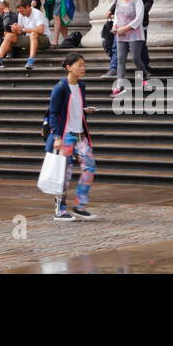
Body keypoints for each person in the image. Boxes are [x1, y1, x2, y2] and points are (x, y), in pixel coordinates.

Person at [45, 53, 100, 221]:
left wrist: (85, 109)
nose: (83, 68)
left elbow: (74, 106)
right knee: (65, 173)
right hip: (66, 136)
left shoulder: (81, 86)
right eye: (79, 65)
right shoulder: (60, 87)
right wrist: (57, 136)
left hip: (80, 135)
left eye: (84, 65)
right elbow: (53, 113)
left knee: (89, 167)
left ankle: (79, 205)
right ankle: (60, 210)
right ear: (68, 67)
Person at [103, 0, 154, 79]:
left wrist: (139, 13)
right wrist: (114, 19)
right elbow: (117, 6)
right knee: (120, 56)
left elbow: (149, 2)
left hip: (137, 27)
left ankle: (144, 69)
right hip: (121, 30)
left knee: (139, 53)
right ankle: (117, 76)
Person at [110, 0, 151, 95]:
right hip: (121, 34)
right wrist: (115, 26)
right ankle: (119, 85)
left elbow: (138, 19)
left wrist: (125, 28)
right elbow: (117, 16)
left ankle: (143, 78)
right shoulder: (119, 0)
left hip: (135, 34)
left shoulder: (137, 0)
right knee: (120, 58)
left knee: (136, 58)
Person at [0, 0, 47, 70]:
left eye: (22, 11)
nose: (20, 13)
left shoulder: (37, 13)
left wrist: (23, 29)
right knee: (9, 35)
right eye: (19, 11)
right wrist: (14, 29)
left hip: (43, 40)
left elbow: (41, 30)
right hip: (29, 40)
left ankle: (31, 60)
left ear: (28, 7)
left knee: (33, 34)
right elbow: (20, 31)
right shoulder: (20, 15)